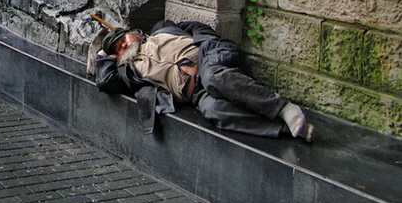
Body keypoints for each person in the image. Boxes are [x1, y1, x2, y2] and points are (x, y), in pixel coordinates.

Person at [94, 20, 315, 142]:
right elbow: (105, 82)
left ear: (132, 33)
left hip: (209, 57)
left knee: (212, 77)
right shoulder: (130, 71)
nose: (123, 46)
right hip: (196, 93)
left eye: (123, 40)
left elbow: (196, 26)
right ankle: (287, 128)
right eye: (118, 50)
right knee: (214, 110)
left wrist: (207, 42)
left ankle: (284, 108)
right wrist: (105, 57)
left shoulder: (160, 30)